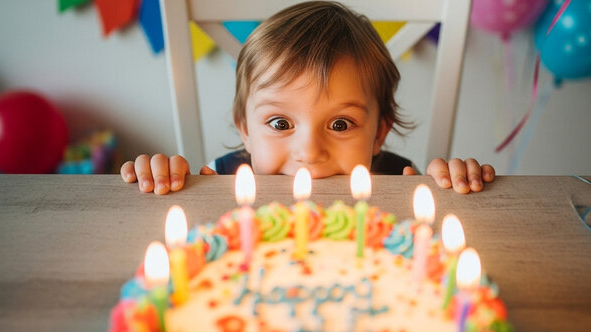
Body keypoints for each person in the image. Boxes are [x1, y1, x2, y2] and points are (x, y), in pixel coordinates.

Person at [121, 1, 495, 195]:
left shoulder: (399, 180)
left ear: (380, 132)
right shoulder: (221, 180)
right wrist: (166, 181)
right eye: (280, 123)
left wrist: (455, 185)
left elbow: (429, 221)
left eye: (340, 124)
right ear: (245, 130)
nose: (310, 151)